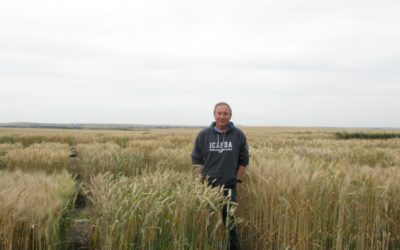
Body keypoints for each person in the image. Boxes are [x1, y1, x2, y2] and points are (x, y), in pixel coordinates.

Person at [191, 102, 249, 250]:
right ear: (214, 114)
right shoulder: (204, 135)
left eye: (225, 114)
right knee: (209, 223)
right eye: (219, 113)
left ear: (230, 116)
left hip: (229, 187)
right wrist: (200, 178)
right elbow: (196, 159)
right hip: (208, 188)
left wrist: (235, 178)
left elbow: (244, 160)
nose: (222, 116)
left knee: (230, 223)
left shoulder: (238, 135)